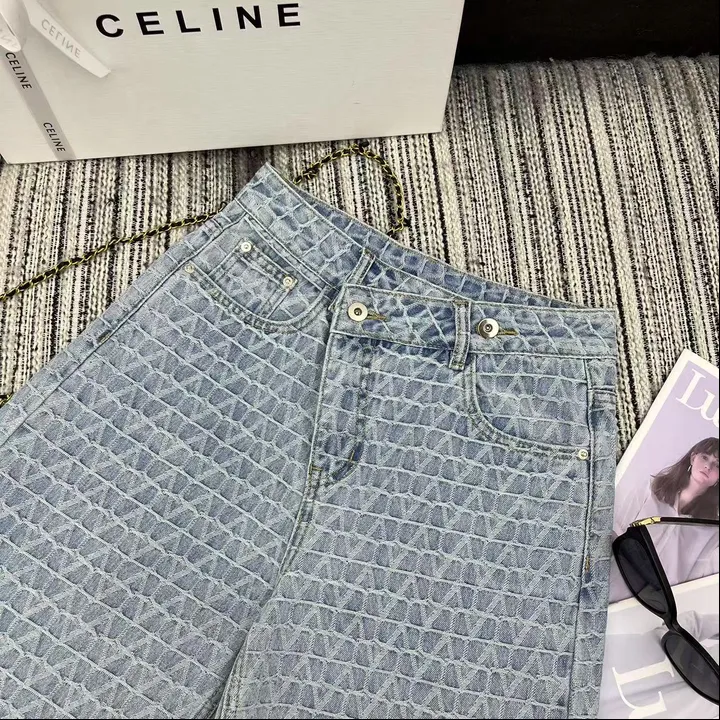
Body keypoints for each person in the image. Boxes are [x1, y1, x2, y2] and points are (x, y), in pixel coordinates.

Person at [610, 438, 719, 602]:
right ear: (693, 458)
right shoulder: (651, 488)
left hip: (653, 602)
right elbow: (616, 529)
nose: (708, 467)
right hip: (615, 577)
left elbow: (696, 578)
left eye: (717, 465)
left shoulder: (711, 529)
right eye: (705, 457)